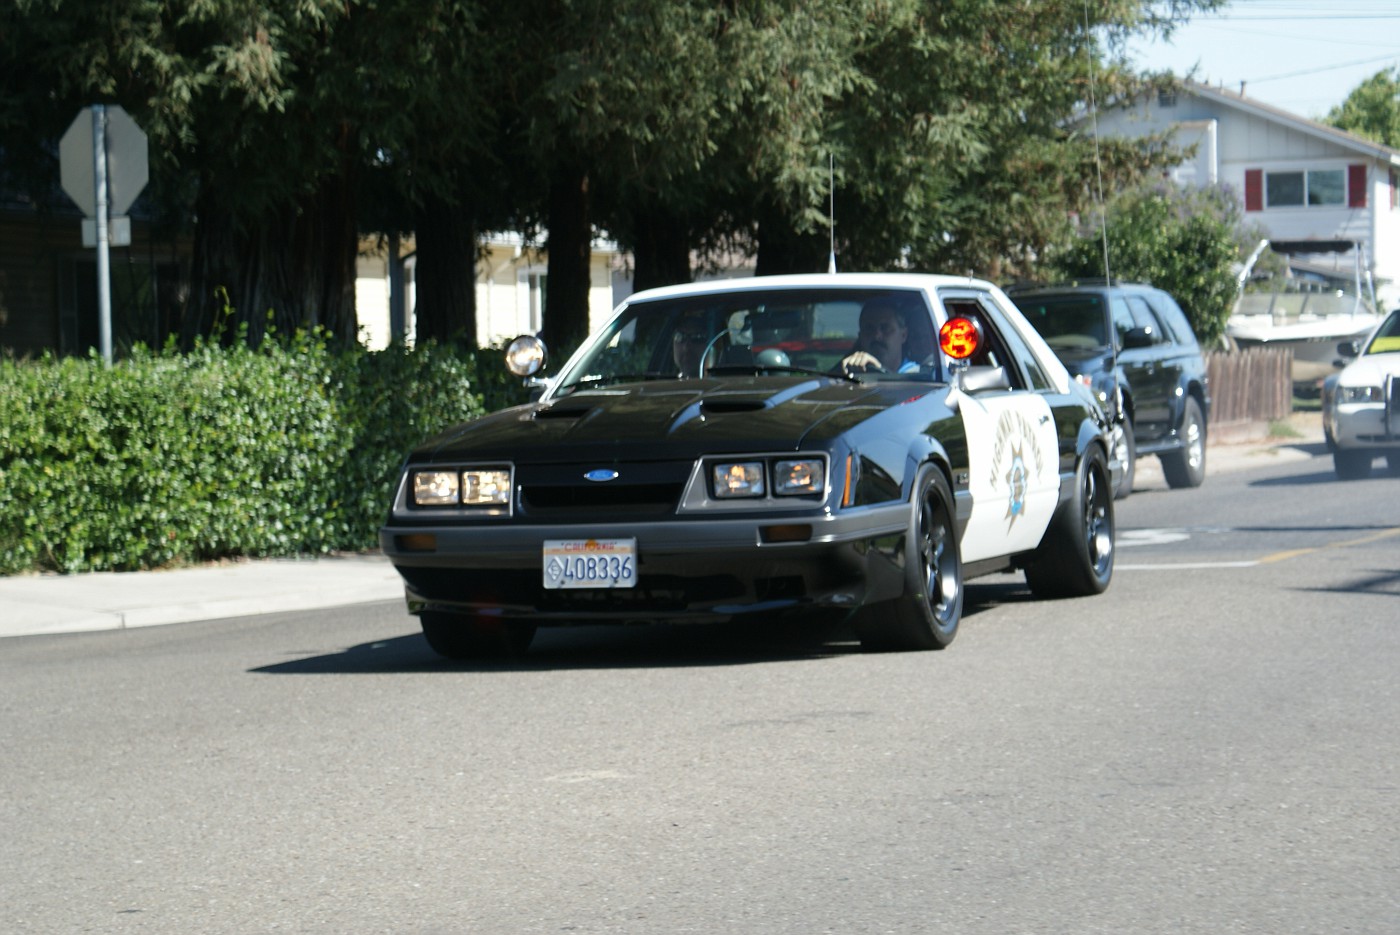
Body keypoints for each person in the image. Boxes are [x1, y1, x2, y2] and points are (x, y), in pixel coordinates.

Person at [841, 298, 919, 373]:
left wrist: (879, 370)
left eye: (885, 328)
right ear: (860, 337)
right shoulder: (846, 378)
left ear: (903, 335)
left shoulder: (917, 377)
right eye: (869, 328)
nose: (876, 336)